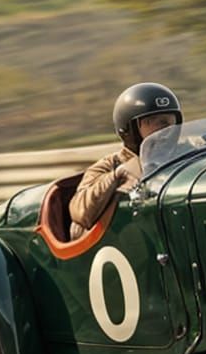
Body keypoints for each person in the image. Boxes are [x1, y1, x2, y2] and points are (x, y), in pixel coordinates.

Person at [69, 82, 182, 238]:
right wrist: (117, 176)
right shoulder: (110, 165)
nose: (165, 130)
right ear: (130, 130)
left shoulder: (185, 152)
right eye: (154, 122)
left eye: (169, 122)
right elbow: (80, 211)